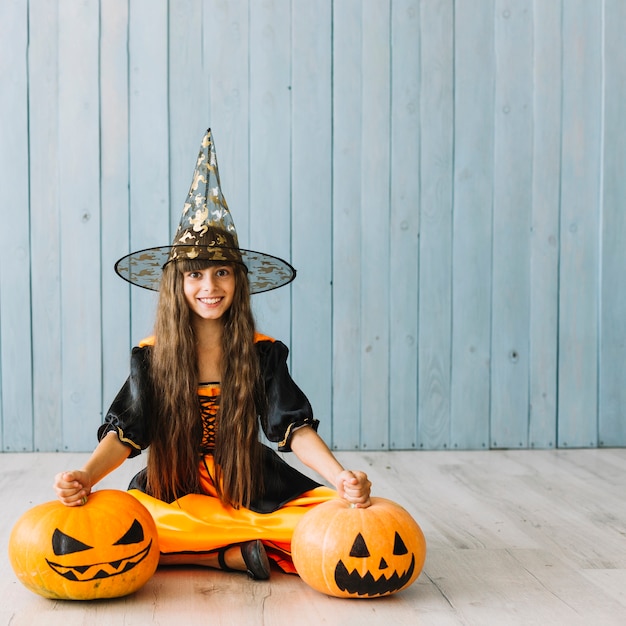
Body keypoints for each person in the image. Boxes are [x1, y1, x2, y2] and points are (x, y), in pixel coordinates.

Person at [53, 129, 371, 580]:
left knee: (329, 520)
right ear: (175, 285)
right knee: (127, 528)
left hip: (250, 483)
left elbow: (293, 428)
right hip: (175, 488)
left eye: (222, 272)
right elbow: (127, 432)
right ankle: (228, 555)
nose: (209, 288)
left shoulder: (263, 354)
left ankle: (228, 541)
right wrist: (86, 476)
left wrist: (341, 477)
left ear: (239, 281)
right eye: (195, 275)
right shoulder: (152, 357)